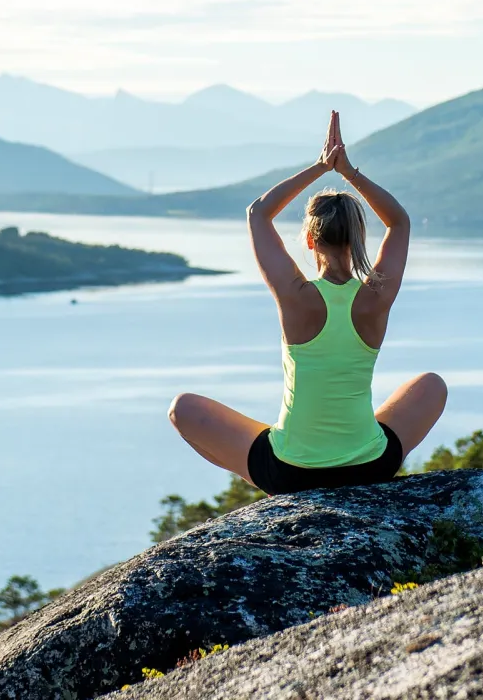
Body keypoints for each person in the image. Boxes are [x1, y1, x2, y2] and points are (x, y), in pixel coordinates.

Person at [168, 111, 448, 495]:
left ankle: (275, 476)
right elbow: (399, 221)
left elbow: (258, 213)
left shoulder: (296, 296)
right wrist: (348, 172)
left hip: (290, 473)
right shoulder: (375, 297)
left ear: (311, 241)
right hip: (369, 468)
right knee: (432, 385)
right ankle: (346, 444)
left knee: (181, 408)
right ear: (358, 239)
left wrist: (320, 167)